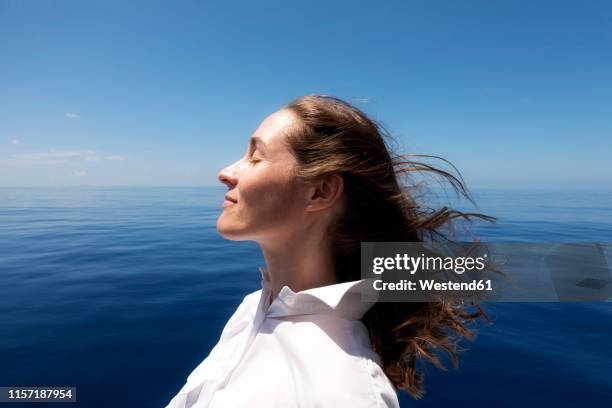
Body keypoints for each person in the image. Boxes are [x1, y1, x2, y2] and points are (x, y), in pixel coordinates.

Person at [165, 95, 493, 407]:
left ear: (320, 192)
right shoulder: (255, 307)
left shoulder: (343, 393)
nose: (225, 172)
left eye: (255, 157)